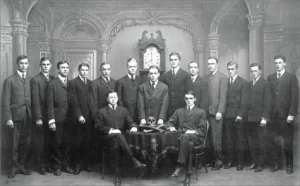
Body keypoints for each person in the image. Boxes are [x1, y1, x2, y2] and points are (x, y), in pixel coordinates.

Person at [95, 90, 146, 186]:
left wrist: (133, 127)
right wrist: (111, 130)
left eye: (115, 97)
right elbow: (98, 127)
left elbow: (130, 122)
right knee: (118, 136)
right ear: (107, 99)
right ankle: (133, 161)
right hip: (107, 139)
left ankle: (117, 175)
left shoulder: (123, 110)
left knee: (118, 144)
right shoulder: (101, 112)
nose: (113, 99)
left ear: (117, 98)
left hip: (121, 140)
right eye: (111, 97)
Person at [165, 91, 207, 186]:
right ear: (184, 99)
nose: (188, 100)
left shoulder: (200, 112)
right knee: (189, 144)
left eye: (191, 98)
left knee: (186, 138)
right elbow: (169, 122)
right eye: (187, 98)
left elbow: (202, 129)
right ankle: (187, 176)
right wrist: (170, 126)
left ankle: (179, 165)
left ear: (195, 99)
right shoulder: (179, 111)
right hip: (182, 137)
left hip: (195, 137)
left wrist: (191, 132)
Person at [267, 55, 299, 174]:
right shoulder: (270, 78)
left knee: (287, 143)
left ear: (285, 63)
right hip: (273, 117)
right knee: (274, 142)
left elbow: (295, 98)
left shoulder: (291, 78)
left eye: (280, 62)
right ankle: (276, 164)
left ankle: (289, 165)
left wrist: (291, 114)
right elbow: (268, 98)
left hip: (286, 117)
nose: (278, 65)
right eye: (276, 63)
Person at [2, 55, 32, 178]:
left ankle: (21, 166)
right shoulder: (9, 80)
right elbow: (5, 101)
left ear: (28, 65)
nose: (24, 65)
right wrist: (8, 118)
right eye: (21, 63)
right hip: (14, 117)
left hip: (28, 116)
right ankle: (13, 167)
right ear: (17, 65)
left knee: (26, 143)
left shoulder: (30, 79)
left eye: (25, 63)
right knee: (14, 143)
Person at [46, 61, 74, 176]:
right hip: (57, 119)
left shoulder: (71, 83)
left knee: (68, 143)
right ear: (58, 70)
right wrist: (51, 120)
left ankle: (65, 165)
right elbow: (49, 103)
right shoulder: (52, 84)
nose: (65, 69)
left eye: (67, 67)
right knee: (57, 143)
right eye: (63, 68)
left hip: (69, 118)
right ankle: (57, 166)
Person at [30, 57, 55, 175]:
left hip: (51, 116)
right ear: (40, 66)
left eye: (47, 64)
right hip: (41, 115)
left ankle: (49, 165)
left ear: (51, 66)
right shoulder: (35, 80)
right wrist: (38, 117)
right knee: (40, 142)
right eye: (43, 64)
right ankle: (41, 166)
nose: (46, 66)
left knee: (50, 141)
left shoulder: (54, 79)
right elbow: (35, 101)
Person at [203, 56, 228, 170]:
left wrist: (220, 111)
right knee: (208, 139)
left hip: (216, 113)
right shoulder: (206, 77)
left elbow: (223, 97)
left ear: (217, 64)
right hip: (207, 112)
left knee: (216, 138)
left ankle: (219, 161)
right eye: (209, 64)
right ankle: (211, 160)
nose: (210, 66)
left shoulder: (222, 77)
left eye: (212, 63)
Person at [68, 63, 93, 175]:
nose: (84, 72)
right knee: (77, 142)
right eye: (82, 70)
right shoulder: (73, 83)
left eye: (86, 70)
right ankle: (77, 165)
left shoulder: (91, 83)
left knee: (87, 141)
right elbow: (73, 101)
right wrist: (79, 115)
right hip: (78, 117)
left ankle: (85, 164)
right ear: (78, 70)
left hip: (89, 116)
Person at [245, 63, 271, 172]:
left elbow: (268, 102)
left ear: (260, 71)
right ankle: (254, 162)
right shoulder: (249, 84)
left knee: (261, 142)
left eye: (255, 71)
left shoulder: (265, 84)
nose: (253, 73)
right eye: (252, 71)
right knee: (252, 142)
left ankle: (261, 164)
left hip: (260, 119)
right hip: (250, 119)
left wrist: (265, 118)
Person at [223, 61, 248, 171]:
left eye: (232, 69)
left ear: (237, 69)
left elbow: (244, 101)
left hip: (238, 116)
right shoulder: (225, 82)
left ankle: (240, 162)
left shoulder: (243, 82)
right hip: (227, 115)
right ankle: (231, 160)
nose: (230, 71)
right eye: (228, 69)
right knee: (229, 140)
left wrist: (240, 114)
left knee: (239, 139)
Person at [159, 52, 192, 119]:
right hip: (168, 109)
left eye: (175, 59)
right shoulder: (165, 76)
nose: (173, 61)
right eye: (171, 60)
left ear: (179, 61)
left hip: (182, 108)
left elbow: (189, 93)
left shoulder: (186, 75)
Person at [117, 58, 143, 123]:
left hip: (138, 113)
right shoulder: (120, 81)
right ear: (127, 67)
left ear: (136, 67)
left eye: (134, 66)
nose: (133, 68)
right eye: (130, 66)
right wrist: (124, 112)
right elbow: (119, 99)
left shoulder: (141, 81)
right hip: (126, 113)